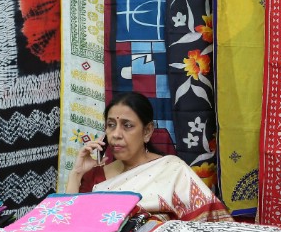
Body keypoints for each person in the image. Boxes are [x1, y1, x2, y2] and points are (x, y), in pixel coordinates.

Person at [63, 92, 231, 222]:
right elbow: (68, 226)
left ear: (147, 131)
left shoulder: (172, 170)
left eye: (127, 126)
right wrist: (76, 173)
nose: (116, 134)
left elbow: (211, 224)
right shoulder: (95, 178)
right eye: (111, 125)